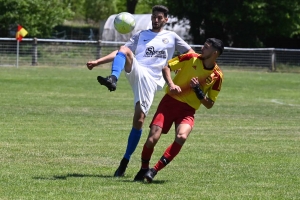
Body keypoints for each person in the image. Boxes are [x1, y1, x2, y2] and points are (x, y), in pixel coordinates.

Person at [86, 5, 194, 177]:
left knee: (139, 120)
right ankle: (113, 79)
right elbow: (120, 52)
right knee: (124, 49)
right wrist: (98, 62)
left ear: (166, 19)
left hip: (152, 81)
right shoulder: (141, 35)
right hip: (138, 70)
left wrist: (184, 70)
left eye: (160, 17)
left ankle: (125, 161)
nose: (156, 20)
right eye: (154, 17)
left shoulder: (171, 37)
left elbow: (191, 55)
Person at [133, 38, 224, 182]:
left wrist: (199, 92)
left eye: (206, 47)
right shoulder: (191, 57)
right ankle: (144, 167)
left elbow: (209, 104)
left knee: (182, 136)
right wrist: (171, 84)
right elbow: (167, 67)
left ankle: (153, 170)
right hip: (169, 103)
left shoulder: (217, 76)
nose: (202, 48)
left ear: (215, 53)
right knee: (152, 139)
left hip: (187, 111)